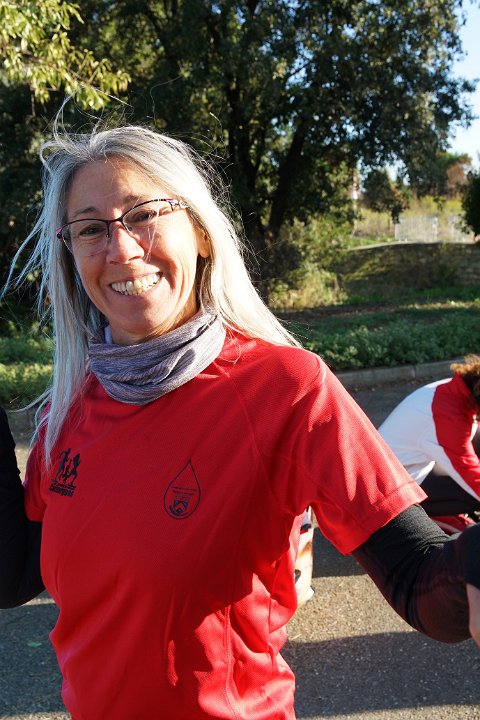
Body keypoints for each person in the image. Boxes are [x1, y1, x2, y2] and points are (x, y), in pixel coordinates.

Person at [1, 122, 480, 720]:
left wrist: (472, 564)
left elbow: (418, 580)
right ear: (71, 253)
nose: (120, 249)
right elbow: (15, 575)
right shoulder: (66, 410)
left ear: (202, 234)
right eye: (91, 228)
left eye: (145, 214)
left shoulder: (287, 387)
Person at [379, 356, 480, 535]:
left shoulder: (459, 389)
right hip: (390, 491)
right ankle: (432, 515)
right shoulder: (448, 415)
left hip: (407, 467)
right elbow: (469, 473)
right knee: (472, 492)